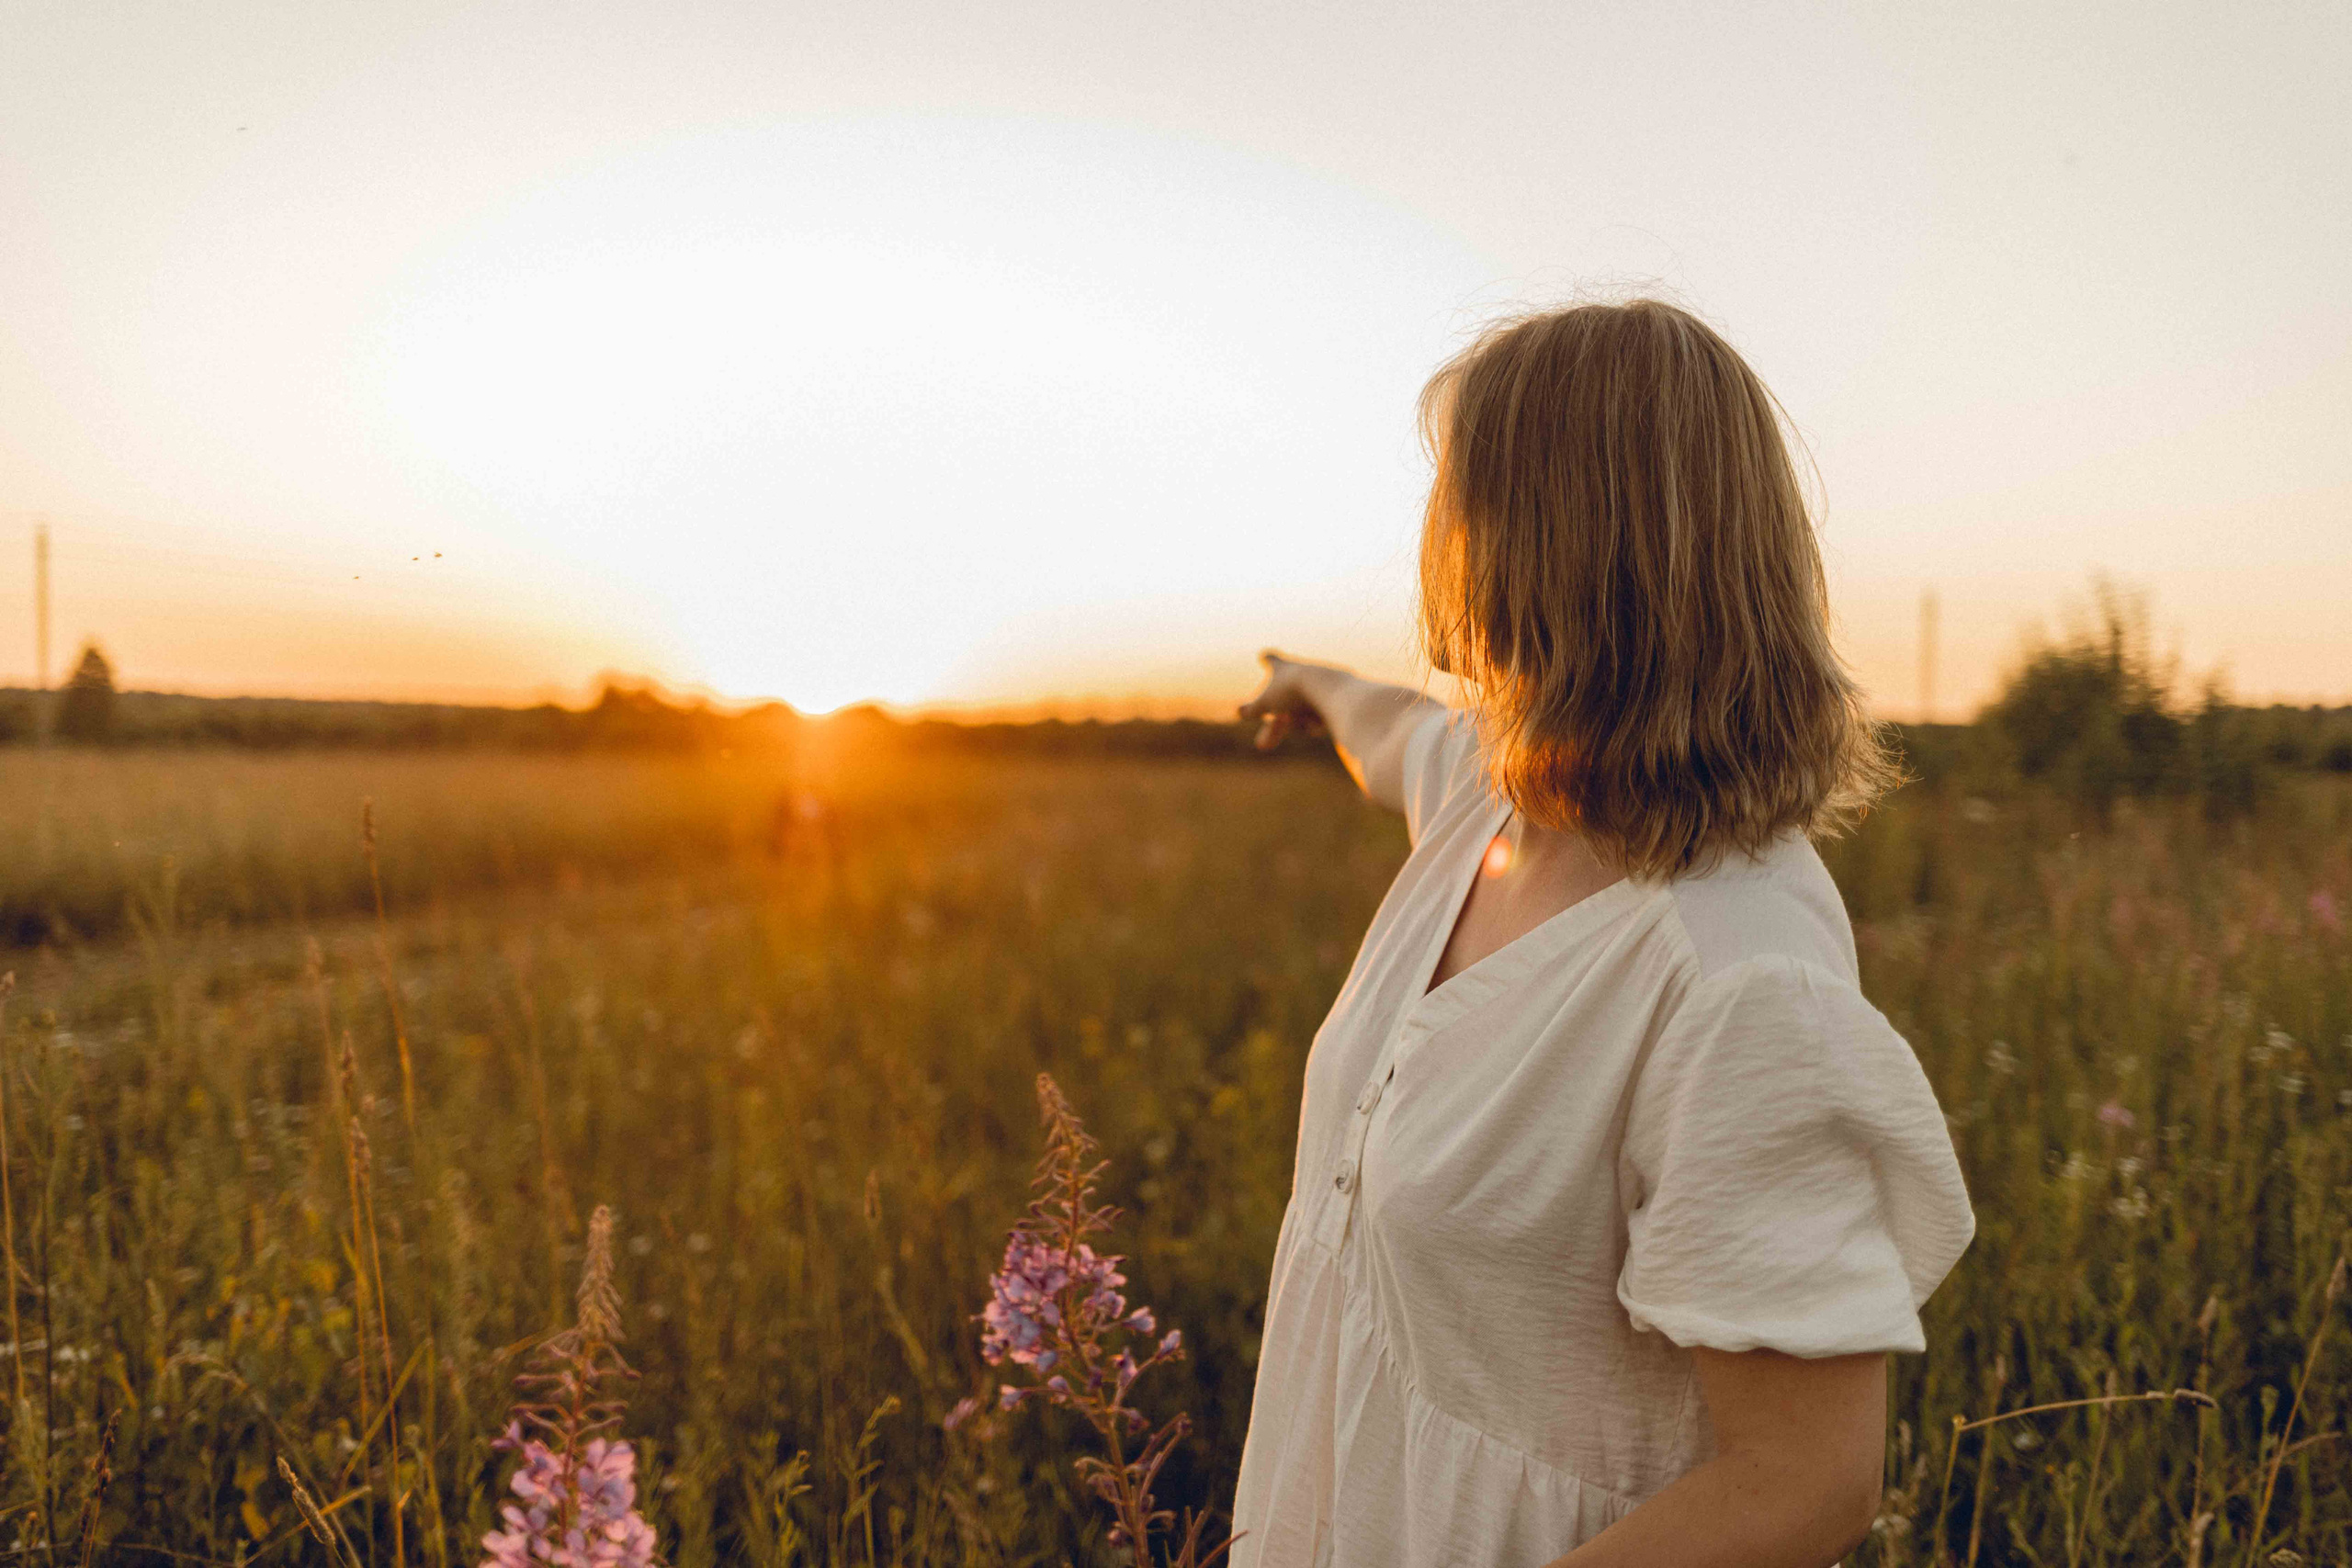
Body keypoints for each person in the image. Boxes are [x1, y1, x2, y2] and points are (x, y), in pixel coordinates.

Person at [1229, 299, 1974, 1568]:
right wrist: (1309, 683)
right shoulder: (1495, 790)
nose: (1436, 536)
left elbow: (1807, 1482)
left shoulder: (1738, 975)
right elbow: (1390, 729)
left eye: (1460, 493)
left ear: (1545, 543)